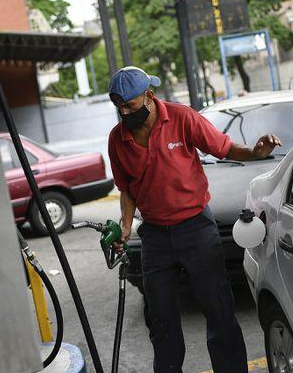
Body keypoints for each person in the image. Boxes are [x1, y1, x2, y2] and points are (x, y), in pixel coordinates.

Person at [107, 66, 282, 373]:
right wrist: (124, 227)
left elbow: (224, 148)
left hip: (196, 229)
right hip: (156, 238)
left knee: (219, 311)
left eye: (130, 105)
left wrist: (256, 152)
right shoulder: (117, 139)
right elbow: (127, 189)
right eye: (119, 106)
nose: (124, 112)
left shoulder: (181, 117)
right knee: (160, 319)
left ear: (149, 96)